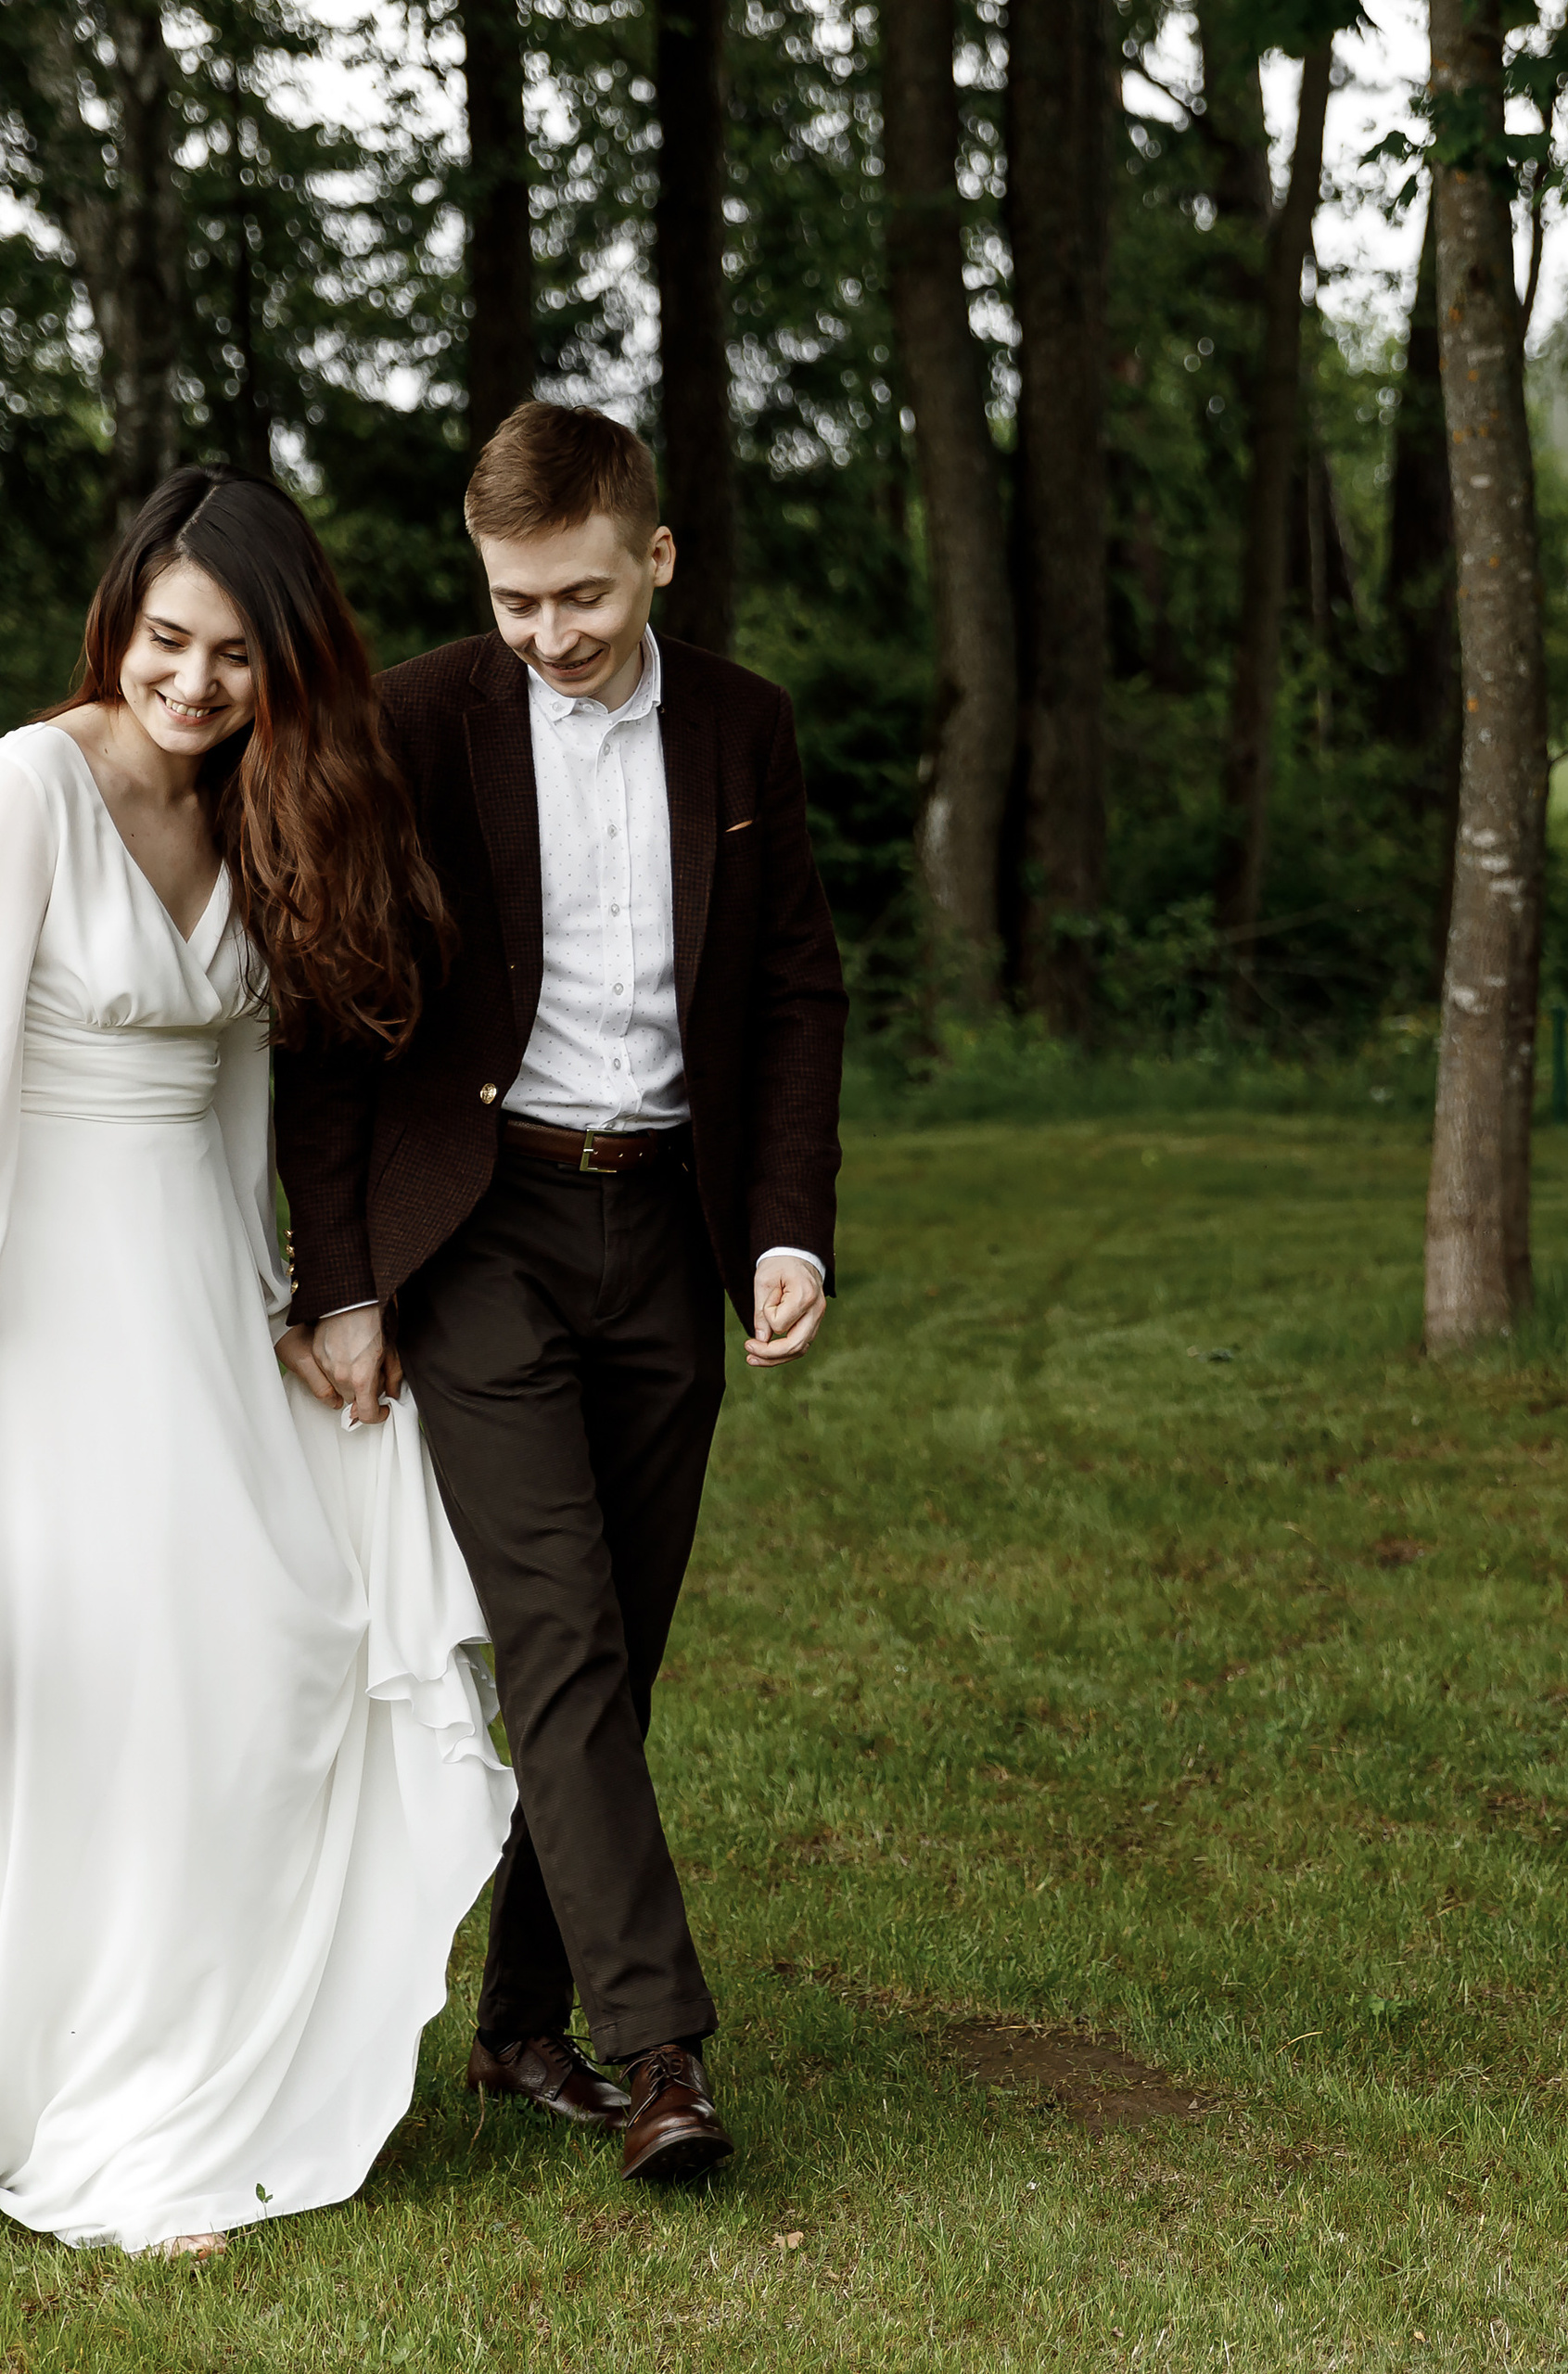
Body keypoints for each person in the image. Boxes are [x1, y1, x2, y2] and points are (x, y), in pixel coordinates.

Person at [276, 402, 848, 2182]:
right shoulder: (427, 719)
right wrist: (348, 1277)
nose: (548, 634)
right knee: (561, 1634)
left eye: (582, 597)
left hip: (668, 1230)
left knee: (624, 1645)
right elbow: (336, 1015)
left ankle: (521, 2024)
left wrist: (786, 1227)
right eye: (517, 602)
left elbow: (794, 998)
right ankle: (656, 2048)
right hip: (488, 1233)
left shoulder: (747, 729)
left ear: (655, 555)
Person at [0, 466, 516, 2257]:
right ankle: (109, 2113)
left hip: (202, 1292)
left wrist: (305, 1300)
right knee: (132, 1679)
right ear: (118, 622)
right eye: (166, 643)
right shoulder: (29, 791)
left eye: (232, 655)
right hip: (55, 1306)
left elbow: (244, 1089)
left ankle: (193, 2061)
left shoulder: (250, 812)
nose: (194, 685)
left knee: (275, 1643)